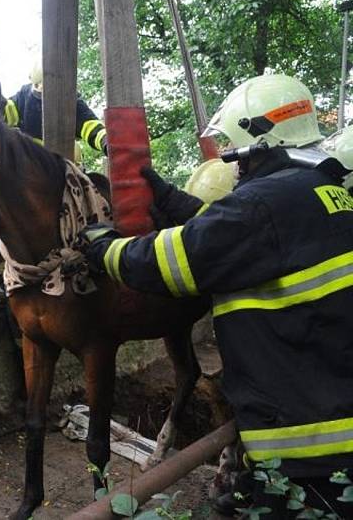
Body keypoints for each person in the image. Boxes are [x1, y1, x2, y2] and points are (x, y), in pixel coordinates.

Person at [77, 74, 353, 517]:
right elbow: (257, 242)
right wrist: (181, 205)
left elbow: (171, 262)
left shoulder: (262, 205)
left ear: (259, 142)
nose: (231, 163)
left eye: (234, 148)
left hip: (307, 449)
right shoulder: (327, 194)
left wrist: (104, 248)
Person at [3, 60, 108, 161]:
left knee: (75, 157)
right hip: (29, 159)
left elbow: (90, 125)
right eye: (40, 92)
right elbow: (8, 109)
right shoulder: (23, 96)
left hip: (63, 158)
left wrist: (106, 141)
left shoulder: (71, 101)